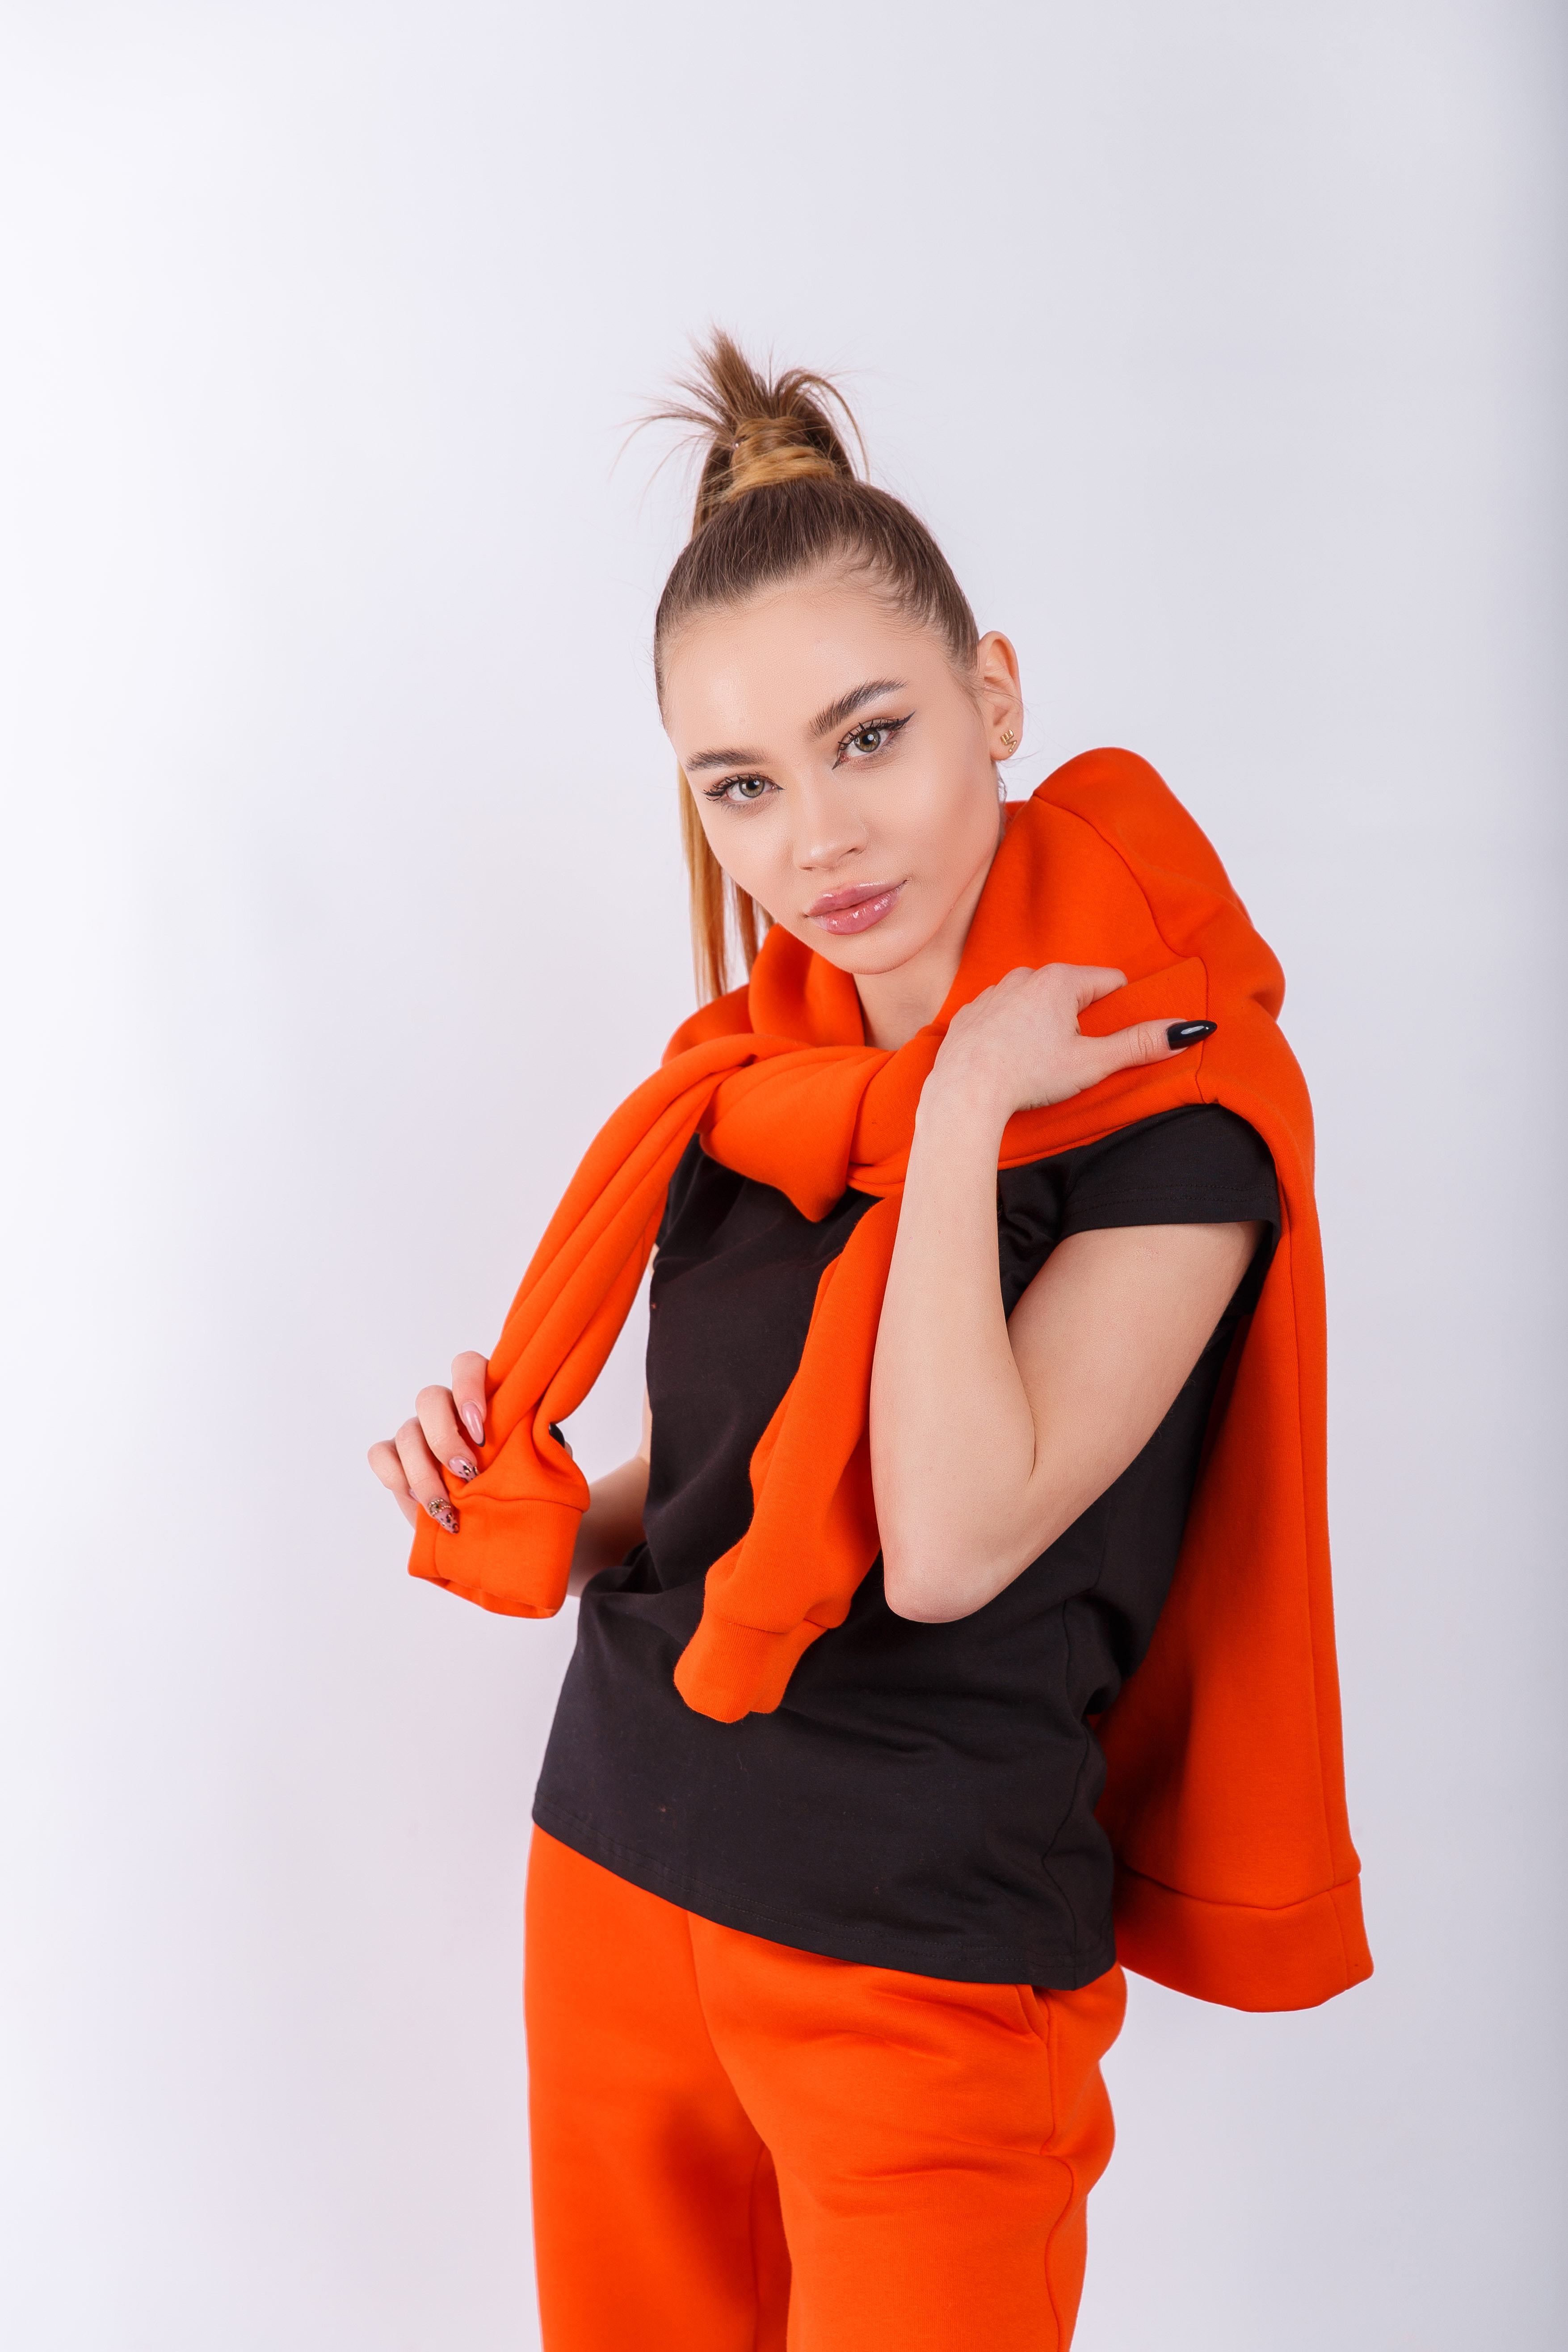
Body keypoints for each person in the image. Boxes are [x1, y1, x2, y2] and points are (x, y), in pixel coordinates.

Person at [368, 334, 1370, 2352]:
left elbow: (948, 1536)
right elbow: (740, 1475)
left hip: (922, 1954)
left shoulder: (1169, 1108)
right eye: (741, 785)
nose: (815, 838)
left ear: (992, 697)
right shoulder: (757, 1078)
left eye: (870, 736)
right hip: (621, 1877)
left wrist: (969, 1101)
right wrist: (535, 1499)